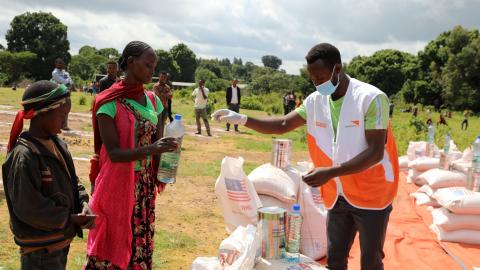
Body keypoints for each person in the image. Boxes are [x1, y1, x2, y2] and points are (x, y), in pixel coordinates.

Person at [213, 43, 399, 270]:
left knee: (370, 261)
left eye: (321, 77)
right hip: (337, 194)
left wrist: (330, 172)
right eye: (312, 79)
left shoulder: (371, 98)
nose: (317, 84)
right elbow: (283, 124)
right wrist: (242, 119)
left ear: (337, 69)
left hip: (372, 193)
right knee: (335, 259)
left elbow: (375, 152)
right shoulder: (315, 102)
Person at [85, 41, 178, 269]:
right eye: (148, 65)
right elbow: (114, 154)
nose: (152, 72)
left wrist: (166, 160)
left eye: (154, 67)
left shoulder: (154, 100)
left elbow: (158, 140)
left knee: (140, 241)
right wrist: (152, 149)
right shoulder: (108, 102)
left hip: (144, 184)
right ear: (130, 62)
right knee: (113, 241)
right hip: (117, 183)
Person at [2, 80, 94, 270]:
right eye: (62, 115)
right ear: (43, 113)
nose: (65, 121)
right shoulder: (25, 156)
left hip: (59, 242)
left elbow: (72, 180)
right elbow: (28, 208)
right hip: (40, 251)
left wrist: (83, 202)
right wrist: (69, 218)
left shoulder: (58, 144)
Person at [51, 58, 74, 131]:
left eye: (61, 63)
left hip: (66, 92)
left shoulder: (65, 72)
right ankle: (56, 125)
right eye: (59, 63)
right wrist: (69, 83)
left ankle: (64, 125)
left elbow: (71, 81)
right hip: (58, 93)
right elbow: (63, 81)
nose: (61, 64)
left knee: (66, 109)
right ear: (56, 64)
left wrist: (70, 83)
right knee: (57, 109)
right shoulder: (55, 73)